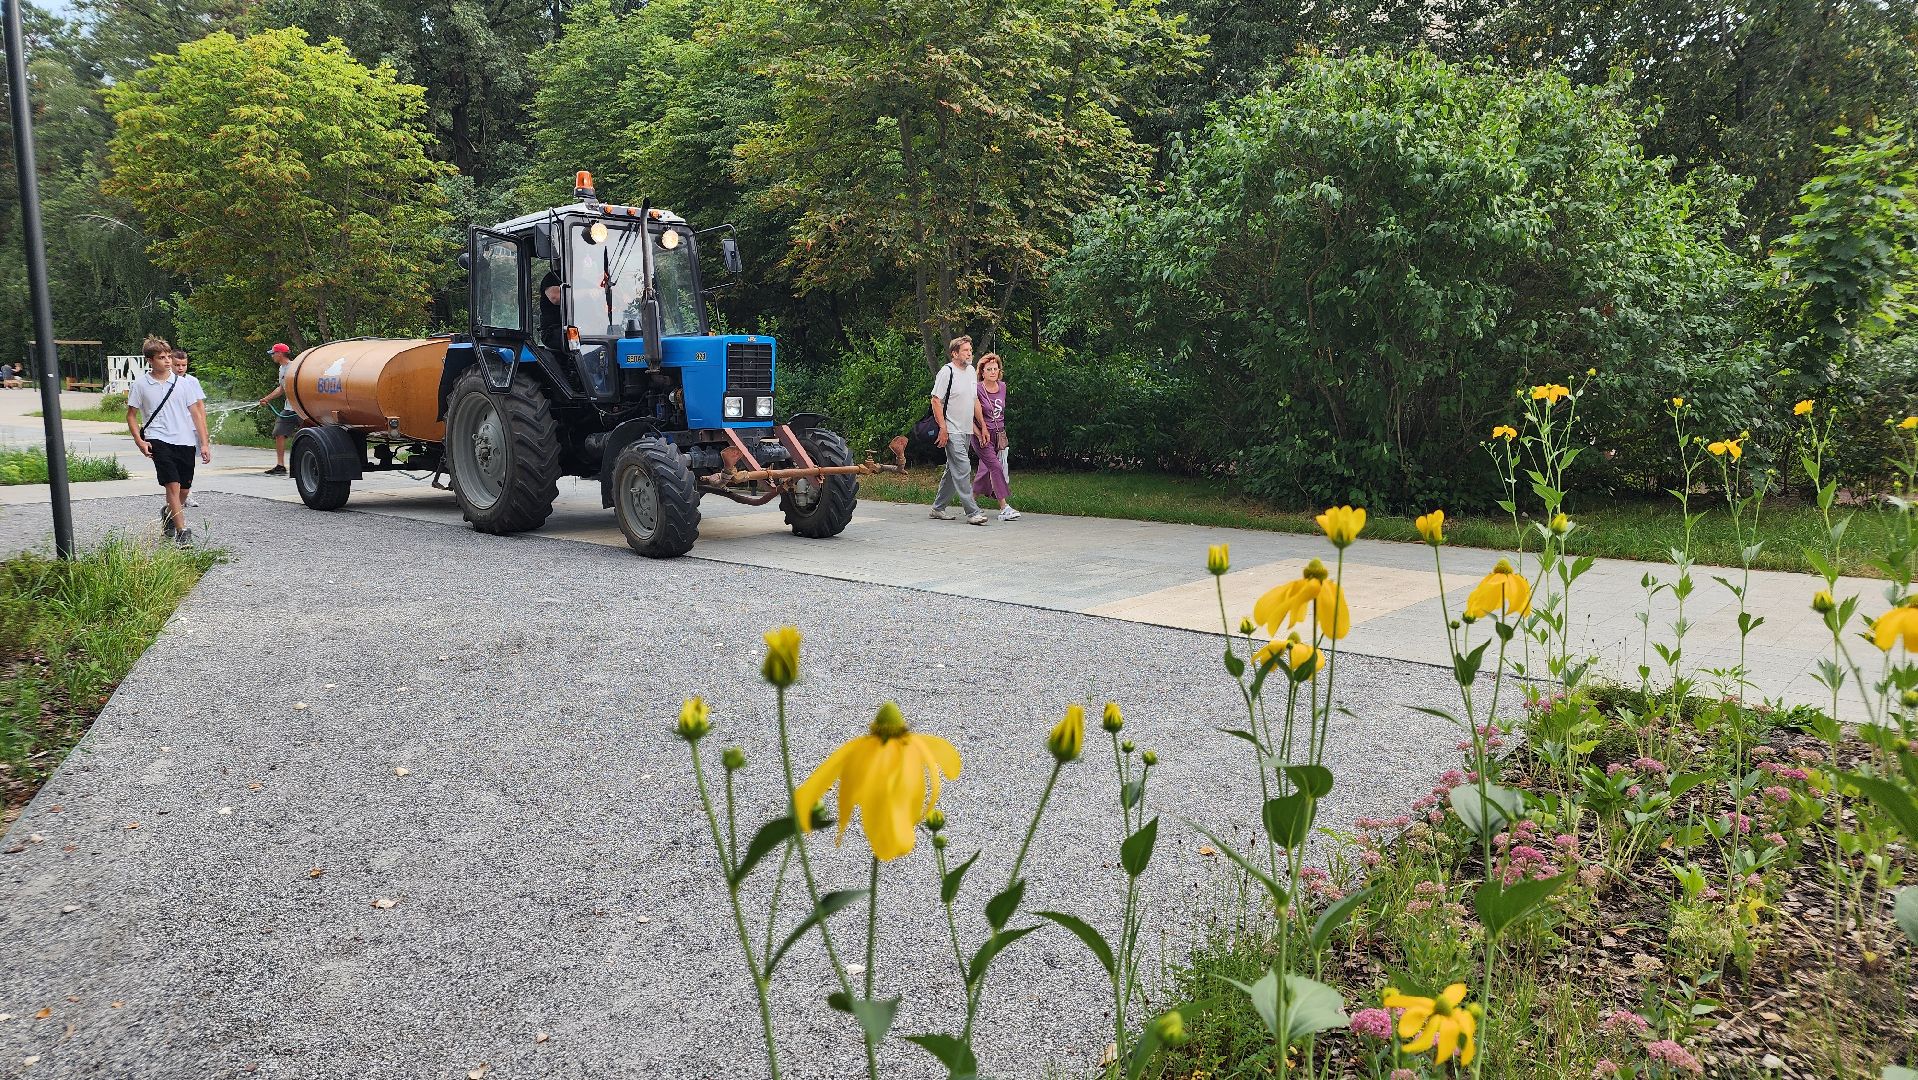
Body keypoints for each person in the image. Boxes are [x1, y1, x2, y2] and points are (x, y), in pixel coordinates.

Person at [126, 335, 209, 545]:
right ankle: (182, 532)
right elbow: (131, 416)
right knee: (172, 485)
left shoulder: (183, 384)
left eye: (168, 357)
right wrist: (140, 441)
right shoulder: (141, 385)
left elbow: (196, 414)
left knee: (183, 489)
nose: (168, 361)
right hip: (158, 439)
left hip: (185, 440)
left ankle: (169, 512)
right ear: (150, 360)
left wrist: (204, 443)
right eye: (162, 357)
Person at [928, 335, 991, 526]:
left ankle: (938, 508)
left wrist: (982, 426)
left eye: (970, 350)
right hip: (952, 429)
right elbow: (936, 400)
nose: (969, 353)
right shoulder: (947, 372)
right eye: (965, 350)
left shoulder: (971, 371)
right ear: (954, 353)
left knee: (952, 470)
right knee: (963, 467)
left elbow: (974, 401)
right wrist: (943, 428)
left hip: (966, 429)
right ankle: (972, 512)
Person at [971, 352, 1019, 521]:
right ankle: (1004, 507)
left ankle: (970, 503)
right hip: (981, 435)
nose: (993, 372)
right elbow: (968, 415)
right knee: (996, 467)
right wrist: (978, 433)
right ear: (982, 372)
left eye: (995, 369)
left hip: (998, 435)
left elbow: (1000, 414)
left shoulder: (1002, 387)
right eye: (988, 369)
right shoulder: (977, 389)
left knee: (985, 470)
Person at [170, 350, 206, 508]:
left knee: (188, 464)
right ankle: (176, 494)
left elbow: (199, 406)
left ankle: (187, 493)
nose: (180, 368)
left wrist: (203, 429)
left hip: (191, 428)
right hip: (173, 428)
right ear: (170, 363)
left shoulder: (192, 381)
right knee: (174, 463)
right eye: (177, 365)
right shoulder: (167, 381)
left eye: (183, 365)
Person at [256, 342, 298, 475]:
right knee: (279, 433)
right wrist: (267, 398)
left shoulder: (294, 367)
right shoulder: (281, 369)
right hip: (288, 409)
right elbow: (281, 388)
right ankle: (280, 466)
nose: (272, 356)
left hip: (302, 409)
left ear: (280, 354)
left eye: (273, 353)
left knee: (308, 435)